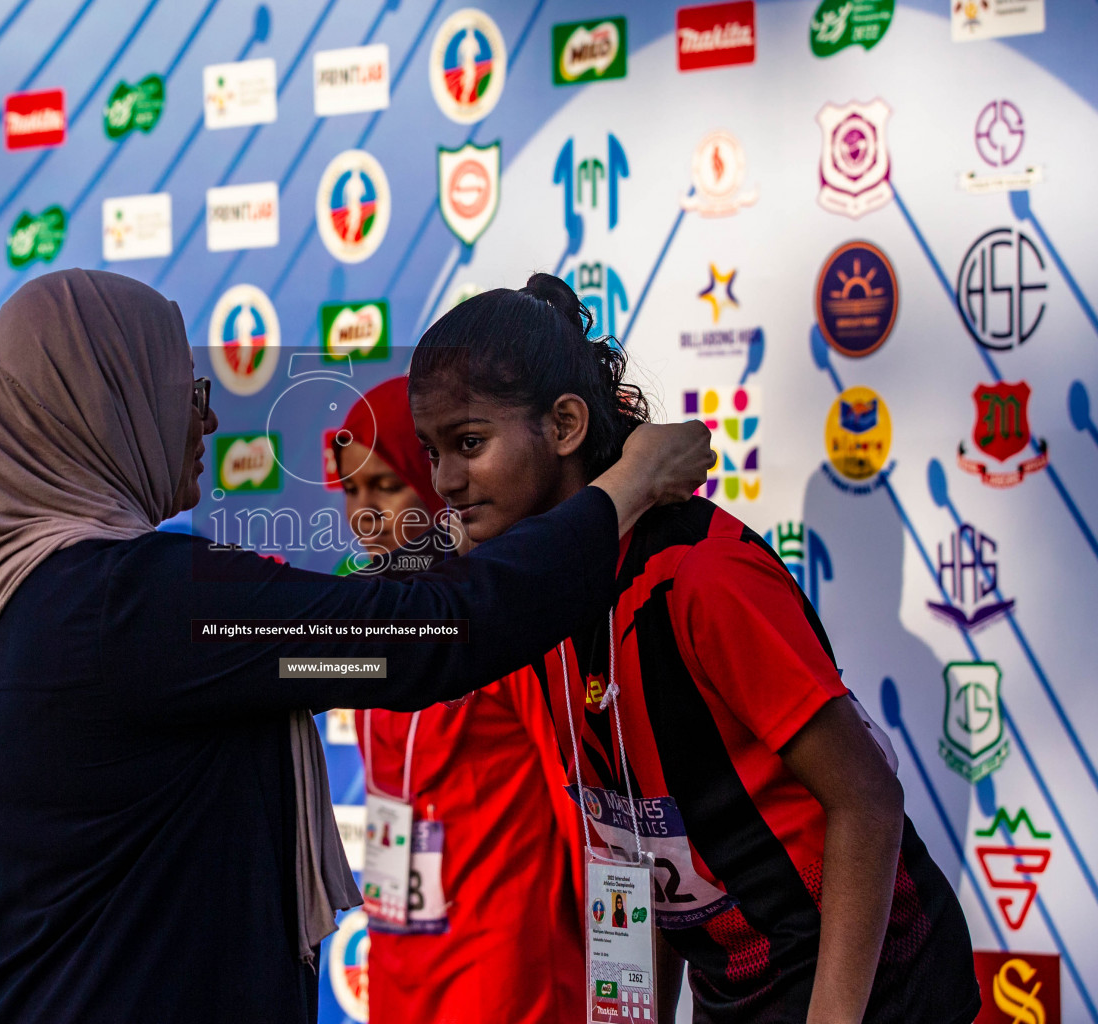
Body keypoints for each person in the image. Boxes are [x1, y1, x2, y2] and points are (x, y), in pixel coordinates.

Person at [0, 269, 712, 1023]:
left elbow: (358, 637)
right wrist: (626, 488)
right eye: (185, 393)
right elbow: (426, 638)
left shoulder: (10, 610)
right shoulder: (126, 605)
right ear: (99, 408)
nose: (209, 420)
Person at [406, 273, 979, 1024]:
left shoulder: (701, 575)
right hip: (735, 990)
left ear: (567, 425)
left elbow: (868, 799)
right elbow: (631, 850)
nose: (444, 481)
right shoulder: (531, 602)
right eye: (431, 450)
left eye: (469, 443)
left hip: (874, 994)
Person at [333, 376, 588, 1024]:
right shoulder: (372, 622)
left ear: (432, 482)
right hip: (400, 972)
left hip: (511, 979)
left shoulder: (506, 621)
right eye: (351, 489)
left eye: (385, 485)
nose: (365, 511)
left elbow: (580, 814)